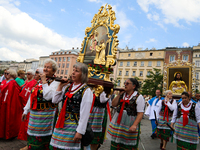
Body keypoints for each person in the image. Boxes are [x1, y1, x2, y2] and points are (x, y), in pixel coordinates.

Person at [49, 62, 93, 150]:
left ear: (83, 75)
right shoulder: (68, 87)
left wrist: (80, 132)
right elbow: (55, 100)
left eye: (76, 71)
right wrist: (60, 86)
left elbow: (85, 114)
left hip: (73, 125)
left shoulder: (86, 91)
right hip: (61, 122)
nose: (73, 72)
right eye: (73, 70)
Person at [21, 59, 59, 149]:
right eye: (45, 67)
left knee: (43, 139)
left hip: (47, 116)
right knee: (33, 136)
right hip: (35, 115)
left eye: (48, 67)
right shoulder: (40, 81)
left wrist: (44, 82)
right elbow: (32, 96)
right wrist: (26, 110)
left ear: (54, 70)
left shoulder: (56, 82)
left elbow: (48, 96)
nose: (45, 69)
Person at [107, 78, 145, 150]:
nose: (125, 84)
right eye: (125, 83)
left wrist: (134, 125)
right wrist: (119, 95)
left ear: (134, 86)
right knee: (116, 142)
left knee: (127, 144)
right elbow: (114, 104)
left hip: (130, 122)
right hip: (119, 122)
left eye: (127, 83)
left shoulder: (139, 97)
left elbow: (140, 113)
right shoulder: (122, 94)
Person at [18, 69, 40, 150]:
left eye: (29, 74)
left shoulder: (36, 83)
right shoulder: (30, 82)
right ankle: (29, 144)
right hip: (29, 106)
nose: (28, 75)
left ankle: (30, 144)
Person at [0, 69, 22, 139]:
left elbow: (13, 96)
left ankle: (8, 134)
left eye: (8, 73)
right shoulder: (7, 82)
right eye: (5, 73)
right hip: (4, 102)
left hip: (8, 103)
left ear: (12, 74)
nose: (6, 75)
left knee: (7, 118)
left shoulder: (12, 83)